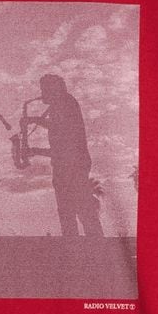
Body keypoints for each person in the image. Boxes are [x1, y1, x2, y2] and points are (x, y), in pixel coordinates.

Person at [22, 74, 104, 237]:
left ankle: (94, 246)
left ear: (55, 89)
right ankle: (82, 246)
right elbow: (58, 139)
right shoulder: (60, 104)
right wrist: (34, 128)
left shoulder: (65, 104)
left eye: (45, 89)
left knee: (79, 211)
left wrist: (33, 124)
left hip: (73, 165)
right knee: (71, 212)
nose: (42, 94)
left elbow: (62, 136)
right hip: (66, 165)